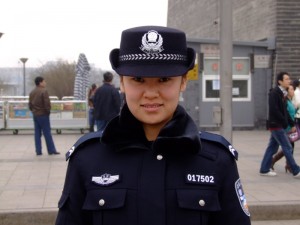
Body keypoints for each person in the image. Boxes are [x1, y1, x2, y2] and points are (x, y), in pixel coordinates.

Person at [55, 26, 251, 225]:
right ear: (122, 82)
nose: (150, 93)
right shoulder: (87, 158)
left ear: (183, 82)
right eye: (138, 80)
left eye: (164, 79)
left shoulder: (216, 159)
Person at [260, 72, 300, 178]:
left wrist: (291, 123)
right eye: (286, 79)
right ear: (280, 81)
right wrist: (284, 122)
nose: (289, 81)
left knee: (272, 148)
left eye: (289, 79)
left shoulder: (282, 93)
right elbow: (274, 110)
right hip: (276, 124)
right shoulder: (274, 93)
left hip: (279, 124)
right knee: (287, 146)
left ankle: (264, 169)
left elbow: (285, 111)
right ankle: (296, 170)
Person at [29, 76, 60, 156]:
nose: (45, 83)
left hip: (35, 115)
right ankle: (51, 150)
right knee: (47, 133)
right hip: (43, 114)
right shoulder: (44, 91)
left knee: (37, 133)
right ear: (40, 82)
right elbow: (46, 104)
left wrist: (34, 111)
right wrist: (48, 111)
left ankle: (38, 151)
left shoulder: (32, 92)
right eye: (44, 81)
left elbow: (30, 105)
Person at [271, 84, 297, 173]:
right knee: (288, 146)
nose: (293, 91)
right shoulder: (285, 101)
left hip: (290, 126)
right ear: (287, 91)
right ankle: (289, 165)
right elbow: (287, 114)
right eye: (291, 89)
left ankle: (287, 164)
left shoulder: (290, 101)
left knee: (288, 146)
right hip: (286, 127)